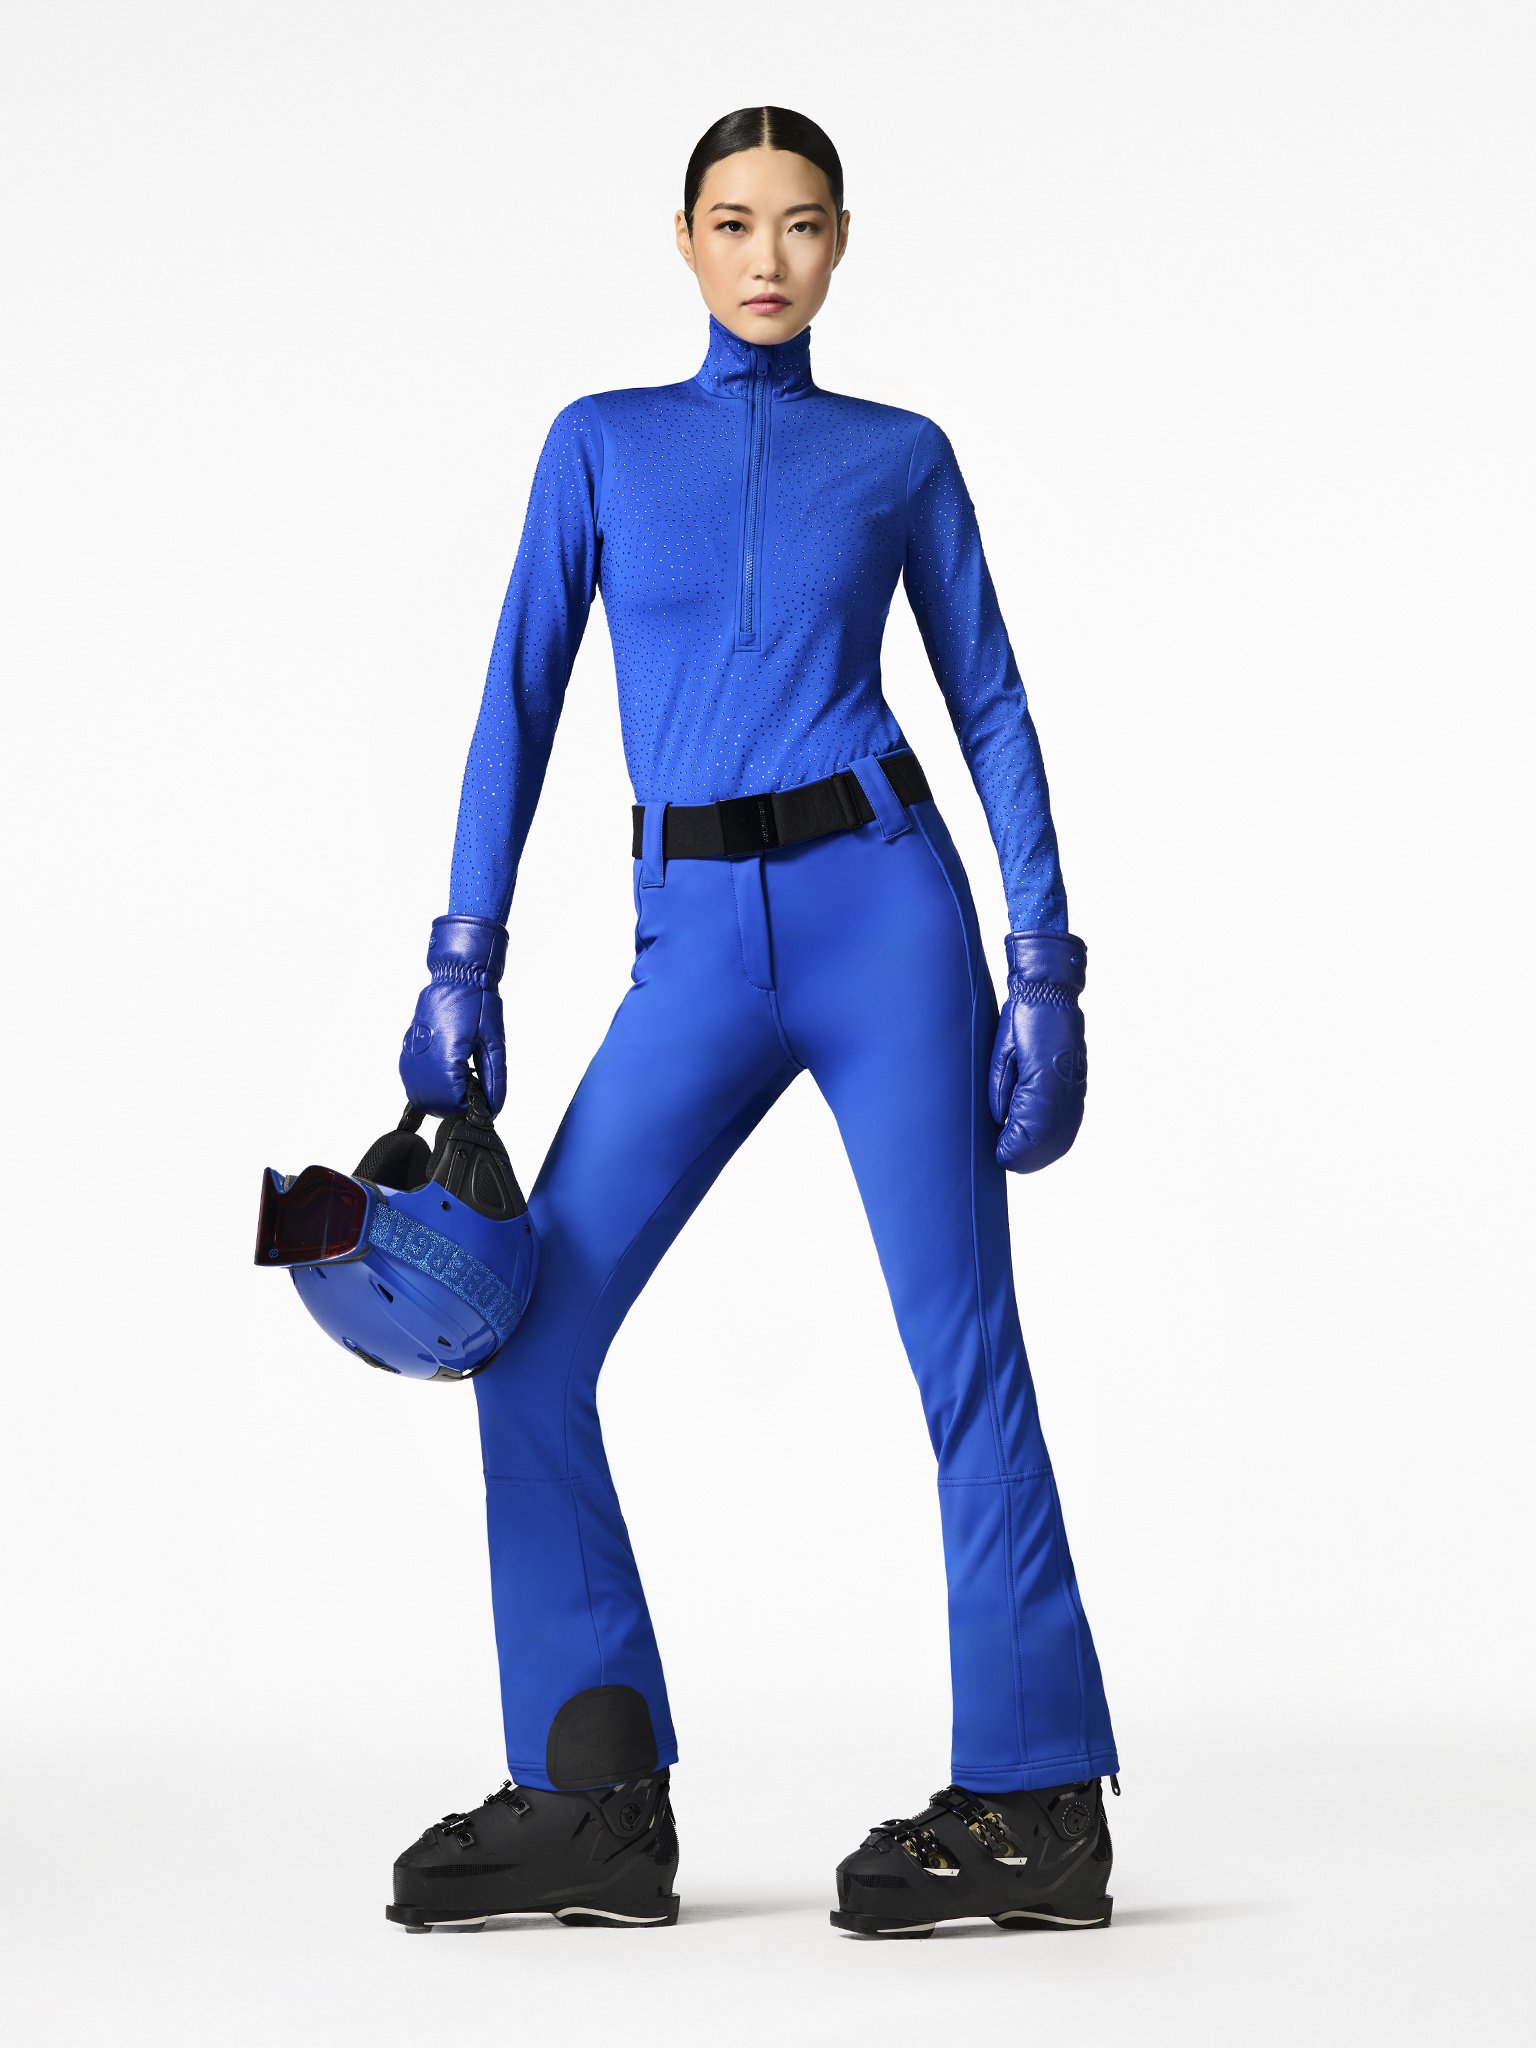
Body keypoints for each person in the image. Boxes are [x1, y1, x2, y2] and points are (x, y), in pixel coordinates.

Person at [388, 104, 1120, 1940]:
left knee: (966, 1354)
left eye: (800, 224)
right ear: (686, 241)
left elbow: (993, 703)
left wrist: (1044, 964)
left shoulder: (899, 456)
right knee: (525, 1332)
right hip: (694, 943)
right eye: (734, 222)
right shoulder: (601, 443)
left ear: (841, 242)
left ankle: (1035, 1801)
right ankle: (592, 1792)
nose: (768, 256)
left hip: (885, 915)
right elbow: (516, 697)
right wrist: (465, 948)